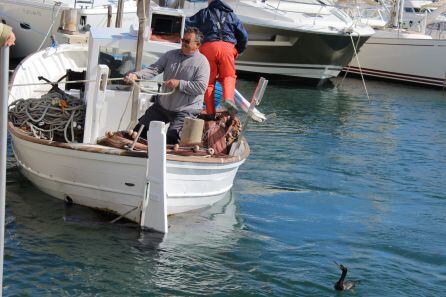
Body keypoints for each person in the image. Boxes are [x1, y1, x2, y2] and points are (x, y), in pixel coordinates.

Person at [124, 27, 210, 144]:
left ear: (198, 44)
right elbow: (154, 69)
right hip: (162, 106)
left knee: (172, 137)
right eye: (182, 40)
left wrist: (179, 84)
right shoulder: (170, 55)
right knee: (140, 130)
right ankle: (138, 155)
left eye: (187, 41)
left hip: (186, 109)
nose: (183, 43)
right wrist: (135, 75)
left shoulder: (202, 62)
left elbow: (200, 87)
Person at [186, 0, 248, 116]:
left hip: (208, 48)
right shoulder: (232, 16)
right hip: (227, 48)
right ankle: (229, 99)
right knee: (228, 76)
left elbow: (186, 25)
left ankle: (210, 113)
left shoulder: (203, 13)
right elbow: (243, 36)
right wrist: (238, 50)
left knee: (208, 82)